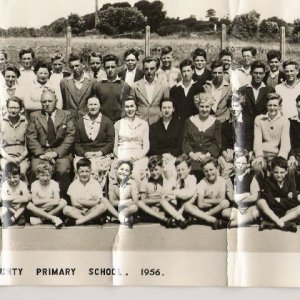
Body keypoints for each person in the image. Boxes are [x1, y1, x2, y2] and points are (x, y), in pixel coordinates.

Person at [26, 88, 75, 198]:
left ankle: (62, 202)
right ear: (41, 103)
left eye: (50, 101)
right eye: (44, 102)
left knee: (62, 170)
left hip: (60, 153)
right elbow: (31, 137)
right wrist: (40, 154)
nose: (47, 104)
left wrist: (56, 153)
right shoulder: (34, 116)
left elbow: (70, 137)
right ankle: (36, 203)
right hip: (41, 152)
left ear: (56, 101)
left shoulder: (67, 115)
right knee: (35, 169)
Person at [74, 96, 114, 189]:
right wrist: (84, 153)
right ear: (87, 106)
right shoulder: (80, 122)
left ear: (100, 106)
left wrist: (100, 153)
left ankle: (96, 193)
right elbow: (76, 143)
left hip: (101, 155)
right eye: (90, 104)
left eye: (95, 104)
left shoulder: (107, 121)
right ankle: (83, 193)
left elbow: (111, 142)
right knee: (83, 169)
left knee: (95, 168)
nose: (93, 107)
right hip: (84, 155)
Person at [252, 93, 290, 184]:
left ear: (279, 106)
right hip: (263, 154)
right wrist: (259, 156)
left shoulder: (285, 121)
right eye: (270, 105)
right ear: (266, 105)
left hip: (276, 155)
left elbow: (285, 143)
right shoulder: (259, 119)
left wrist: (279, 160)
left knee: (279, 170)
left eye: (275, 105)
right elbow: (257, 140)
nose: (272, 108)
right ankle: (259, 193)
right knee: (257, 168)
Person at [182, 94, 222, 181]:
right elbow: (185, 140)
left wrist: (207, 155)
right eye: (202, 106)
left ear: (211, 106)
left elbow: (217, 142)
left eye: (207, 106)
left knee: (208, 169)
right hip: (192, 156)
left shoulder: (216, 123)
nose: (204, 109)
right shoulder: (189, 121)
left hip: (209, 156)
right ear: (197, 106)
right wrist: (192, 154)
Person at [63, 158, 113, 226]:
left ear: (91, 171)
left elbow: (96, 202)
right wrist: (90, 202)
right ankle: (90, 220)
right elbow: (75, 204)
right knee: (66, 209)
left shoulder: (95, 184)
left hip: (92, 210)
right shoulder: (73, 185)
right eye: (81, 171)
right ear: (77, 172)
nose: (84, 174)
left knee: (103, 206)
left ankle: (80, 221)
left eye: (87, 171)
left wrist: (80, 201)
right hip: (78, 211)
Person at [257, 156, 300, 232]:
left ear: (286, 171)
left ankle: (276, 223)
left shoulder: (290, 180)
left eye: (282, 172)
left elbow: (294, 200)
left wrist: (280, 200)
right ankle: (281, 223)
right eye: (276, 172)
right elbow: (270, 202)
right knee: (261, 202)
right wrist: (287, 200)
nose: (279, 175)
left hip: (287, 213)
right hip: (272, 212)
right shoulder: (267, 181)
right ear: (271, 172)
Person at [184, 158, 230, 229]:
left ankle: (200, 219)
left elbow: (222, 199)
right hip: (205, 209)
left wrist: (205, 200)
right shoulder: (202, 183)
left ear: (217, 168)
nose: (209, 173)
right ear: (203, 172)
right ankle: (211, 219)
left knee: (225, 203)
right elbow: (200, 205)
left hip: (217, 209)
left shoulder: (222, 181)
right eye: (206, 171)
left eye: (211, 170)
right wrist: (216, 201)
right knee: (187, 206)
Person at [113, 96, 149, 185]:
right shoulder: (118, 124)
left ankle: (138, 196)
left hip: (138, 155)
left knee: (136, 172)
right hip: (122, 154)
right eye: (127, 107)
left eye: (132, 106)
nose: (130, 109)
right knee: (118, 171)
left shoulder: (144, 124)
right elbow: (114, 147)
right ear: (124, 109)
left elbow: (146, 146)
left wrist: (136, 157)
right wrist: (122, 157)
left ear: (136, 107)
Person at [222, 149, 260, 228]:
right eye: (238, 162)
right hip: (236, 209)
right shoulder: (230, 180)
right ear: (234, 163)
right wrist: (246, 194)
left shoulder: (251, 179)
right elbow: (231, 198)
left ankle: (232, 224)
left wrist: (238, 197)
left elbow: (254, 197)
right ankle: (246, 220)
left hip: (249, 207)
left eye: (243, 163)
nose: (240, 165)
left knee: (256, 211)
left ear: (247, 164)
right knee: (225, 212)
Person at [219, 95, 254, 179]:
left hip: (244, 152)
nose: (234, 109)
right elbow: (222, 143)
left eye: (237, 106)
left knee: (244, 169)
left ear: (241, 107)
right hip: (229, 153)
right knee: (226, 169)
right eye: (231, 106)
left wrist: (242, 154)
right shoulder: (224, 125)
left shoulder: (248, 123)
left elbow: (249, 142)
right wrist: (225, 154)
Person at [160, 154, 197, 229]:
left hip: (186, 207)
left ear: (189, 169)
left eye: (183, 169)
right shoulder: (174, 178)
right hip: (176, 206)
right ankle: (180, 218)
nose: (180, 172)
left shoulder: (192, 178)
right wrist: (170, 195)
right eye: (178, 170)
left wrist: (173, 192)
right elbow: (165, 191)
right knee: (162, 201)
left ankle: (178, 217)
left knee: (195, 194)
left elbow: (188, 194)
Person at [130, 56, 169, 125]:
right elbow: (132, 105)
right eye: (146, 69)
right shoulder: (135, 86)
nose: (149, 71)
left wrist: (161, 116)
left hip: (158, 122)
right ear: (143, 69)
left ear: (156, 68)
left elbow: (166, 105)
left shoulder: (164, 86)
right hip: (140, 123)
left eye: (152, 68)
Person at [92, 54, 130, 123]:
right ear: (104, 68)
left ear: (117, 67)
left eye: (113, 67)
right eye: (107, 67)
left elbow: (126, 107)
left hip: (120, 123)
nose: (110, 70)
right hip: (102, 123)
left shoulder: (124, 85)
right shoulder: (98, 85)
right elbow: (95, 106)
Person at [27, 161, 66, 228]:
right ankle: (53, 218)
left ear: (51, 175)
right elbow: (35, 202)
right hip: (39, 209)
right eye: (42, 175)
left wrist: (46, 203)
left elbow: (56, 201)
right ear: (37, 175)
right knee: (29, 205)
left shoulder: (54, 184)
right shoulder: (35, 184)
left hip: (52, 208)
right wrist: (50, 200)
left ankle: (42, 219)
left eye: (47, 175)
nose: (45, 178)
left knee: (63, 202)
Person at [1, 96, 29, 180]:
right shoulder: (1, 122)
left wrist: (20, 158)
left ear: (21, 109)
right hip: (6, 157)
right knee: (6, 171)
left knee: (22, 171)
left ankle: (23, 192)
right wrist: (8, 158)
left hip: (22, 157)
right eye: (11, 107)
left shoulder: (25, 123)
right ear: (7, 107)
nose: (13, 110)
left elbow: (28, 146)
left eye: (16, 108)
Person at [60, 52, 94, 121]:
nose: (75, 68)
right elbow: (64, 104)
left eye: (77, 65)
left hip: (87, 119)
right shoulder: (64, 82)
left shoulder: (92, 81)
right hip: (70, 120)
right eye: (72, 67)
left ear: (83, 65)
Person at [138, 156, 169, 224]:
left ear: (162, 168)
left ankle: (155, 216)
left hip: (161, 206)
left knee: (163, 209)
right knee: (139, 203)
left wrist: (158, 206)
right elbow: (143, 200)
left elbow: (166, 199)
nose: (154, 172)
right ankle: (162, 218)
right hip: (149, 207)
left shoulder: (165, 181)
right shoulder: (145, 181)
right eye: (151, 170)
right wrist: (158, 200)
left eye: (156, 169)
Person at [108, 160, 139, 228]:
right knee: (106, 203)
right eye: (121, 169)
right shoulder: (112, 183)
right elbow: (111, 202)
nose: (123, 172)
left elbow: (135, 201)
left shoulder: (132, 183)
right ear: (117, 170)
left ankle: (119, 218)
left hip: (128, 209)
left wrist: (121, 203)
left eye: (126, 170)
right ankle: (123, 219)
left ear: (130, 173)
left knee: (134, 207)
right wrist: (127, 201)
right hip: (116, 209)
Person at [1, 162, 30, 228]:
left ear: (20, 176)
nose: (12, 180)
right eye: (9, 177)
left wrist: (10, 198)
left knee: (24, 205)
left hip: (19, 208)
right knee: (5, 205)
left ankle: (13, 219)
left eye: (14, 177)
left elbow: (26, 198)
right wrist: (19, 197)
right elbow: (3, 198)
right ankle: (16, 217)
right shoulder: (5, 184)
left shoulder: (22, 184)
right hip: (10, 208)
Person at [288, 95, 300, 190]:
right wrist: (292, 156)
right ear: (296, 106)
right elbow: (288, 141)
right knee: (291, 168)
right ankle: (293, 193)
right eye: (299, 106)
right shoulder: (291, 122)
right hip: (295, 154)